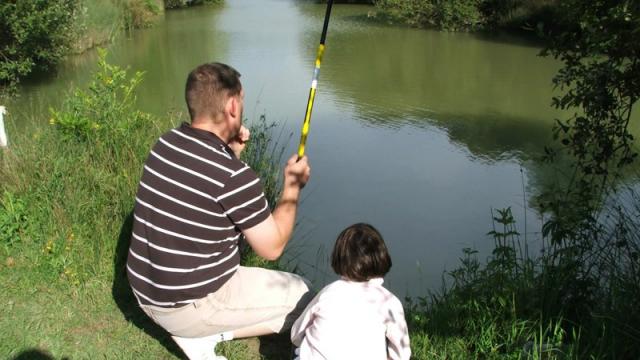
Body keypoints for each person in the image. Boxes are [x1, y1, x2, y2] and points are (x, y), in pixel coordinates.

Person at [125, 62, 313, 358]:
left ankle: (198, 330)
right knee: (306, 295)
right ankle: (202, 335)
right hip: (187, 307)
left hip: (144, 292)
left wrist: (232, 152)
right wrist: (292, 186)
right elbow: (272, 247)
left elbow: (202, 188)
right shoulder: (233, 177)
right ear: (233, 106)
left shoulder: (164, 144)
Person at [290, 223, 411, 360]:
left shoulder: (329, 292)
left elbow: (296, 334)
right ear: (382, 257)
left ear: (339, 258)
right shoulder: (390, 302)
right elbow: (402, 354)